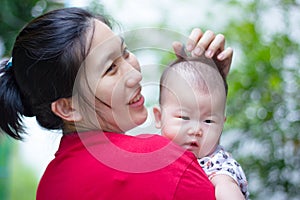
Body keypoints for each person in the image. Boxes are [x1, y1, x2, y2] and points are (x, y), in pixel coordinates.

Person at [0, 7, 233, 199]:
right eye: (110, 69)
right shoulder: (157, 161)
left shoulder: (49, 187)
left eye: (125, 52)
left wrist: (206, 89)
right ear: (68, 107)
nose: (135, 74)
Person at [153, 56, 249, 200]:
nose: (196, 130)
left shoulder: (215, 164)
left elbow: (227, 188)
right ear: (159, 117)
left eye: (208, 121)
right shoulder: (154, 152)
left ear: (222, 125)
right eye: (184, 117)